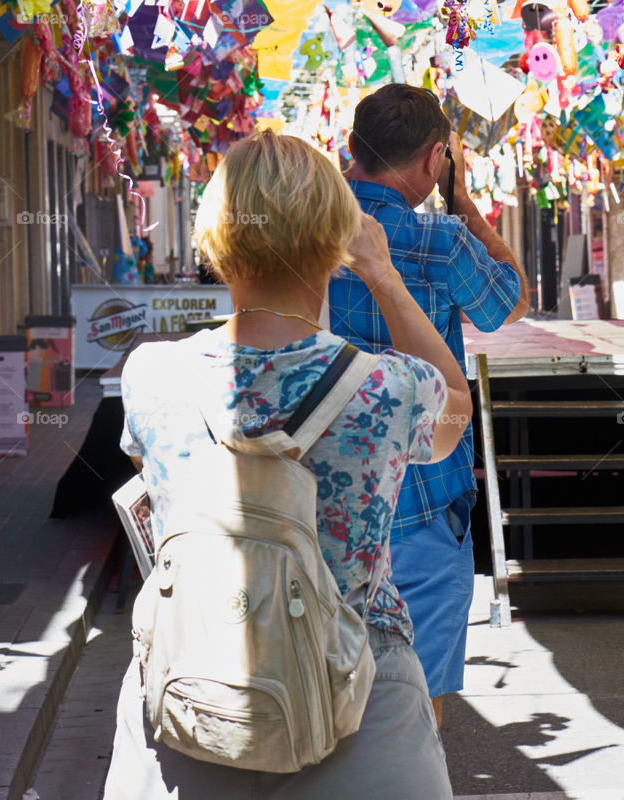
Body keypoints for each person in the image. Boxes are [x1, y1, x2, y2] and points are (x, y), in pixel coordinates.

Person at [104, 130, 472, 800]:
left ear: (214, 234)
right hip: (359, 698)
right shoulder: (387, 390)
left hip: (188, 689)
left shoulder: (150, 374)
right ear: (335, 240)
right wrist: (382, 276)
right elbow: (455, 410)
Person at [328, 84, 530, 728]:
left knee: (324, 701)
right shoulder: (440, 239)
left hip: (324, 506)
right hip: (421, 502)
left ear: (351, 148)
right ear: (433, 160)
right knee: (415, 712)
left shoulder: (304, 232)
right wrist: (465, 202)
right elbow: (509, 303)